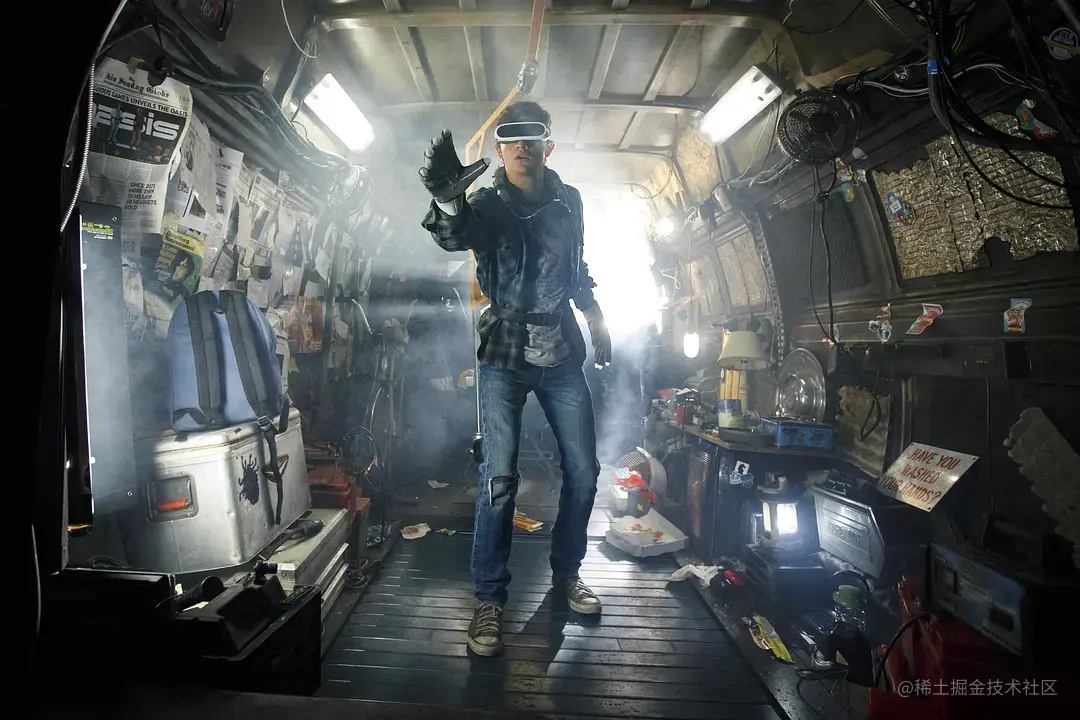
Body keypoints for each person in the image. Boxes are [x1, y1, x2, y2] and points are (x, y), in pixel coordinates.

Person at [419, 102, 612, 657]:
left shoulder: (569, 200)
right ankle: (489, 598)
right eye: (511, 136)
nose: (522, 145)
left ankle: (567, 573)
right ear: (500, 148)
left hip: (561, 352)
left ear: (549, 146)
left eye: (532, 136)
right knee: (499, 479)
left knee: (584, 471)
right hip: (504, 352)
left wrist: (596, 318)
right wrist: (448, 199)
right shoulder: (486, 203)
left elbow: (577, 269)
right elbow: (456, 234)